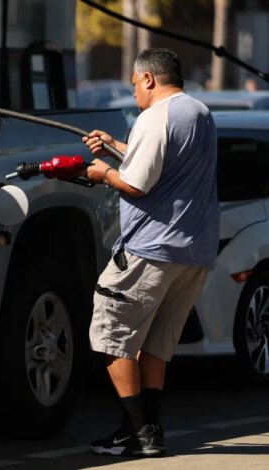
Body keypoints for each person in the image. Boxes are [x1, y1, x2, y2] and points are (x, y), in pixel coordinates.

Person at [81, 48, 219, 458]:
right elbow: (162, 165)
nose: (135, 93)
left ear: (148, 79)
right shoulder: (198, 112)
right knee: (156, 343)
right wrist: (115, 146)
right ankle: (145, 429)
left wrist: (102, 172)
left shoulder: (154, 117)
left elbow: (137, 185)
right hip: (194, 251)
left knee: (110, 336)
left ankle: (141, 434)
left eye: (134, 85)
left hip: (151, 248)